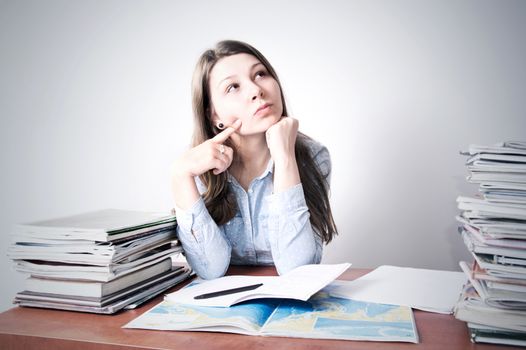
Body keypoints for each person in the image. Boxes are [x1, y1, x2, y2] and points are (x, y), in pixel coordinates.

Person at [171, 40, 337, 279]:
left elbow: (297, 270)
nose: (256, 90)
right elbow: (209, 269)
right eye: (233, 87)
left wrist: (286, 158)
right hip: (224, 307)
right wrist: (180, 175)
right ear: (213, 114)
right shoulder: (198, 167)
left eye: (260, 74)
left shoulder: (314, 156)